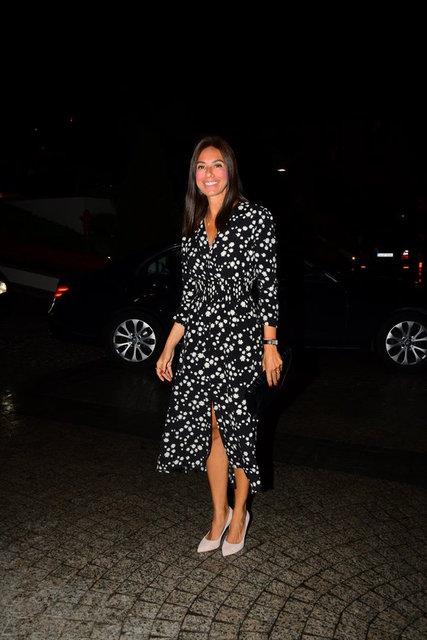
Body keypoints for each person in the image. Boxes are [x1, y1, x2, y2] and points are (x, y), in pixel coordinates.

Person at [156, 136, 282, 556]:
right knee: (212, 430)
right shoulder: (193, 225)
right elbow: (190, 295)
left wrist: (270, 343)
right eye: (201, 166)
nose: (208, 174)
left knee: (238, 429)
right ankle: (219, 513)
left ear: (230, 169)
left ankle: (240, 513)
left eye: (216, 165)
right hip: (201, 341)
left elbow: (268, 285)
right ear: (194, 174)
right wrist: (170, 345)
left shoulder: (255, 217)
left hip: (241, 338)